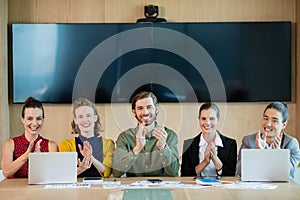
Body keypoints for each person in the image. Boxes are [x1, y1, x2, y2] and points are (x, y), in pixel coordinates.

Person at [112, 91, 179, 177]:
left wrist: (163, 147)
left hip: (161, 189)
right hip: (133, 189)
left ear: (156, 109)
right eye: (140, 108)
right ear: (134, 111)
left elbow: (174, 172)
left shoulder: (170, 136)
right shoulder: (124, 137)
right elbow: (116, 173)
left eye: (149, 107)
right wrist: (137, 149)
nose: (145, 112)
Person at [236, 102, 300, 178]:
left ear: (284, 125)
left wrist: (278, 154)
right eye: (266, 118)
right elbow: (240, 171)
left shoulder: (291, 143)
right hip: (254, 187)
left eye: (274, 120)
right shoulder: (248, 140)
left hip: (281, 188)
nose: (268, 124)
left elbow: (289, 172)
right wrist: (258, 152)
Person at [1, 97, 58, 178]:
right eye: (29, 118)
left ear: (43, 120)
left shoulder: (51, 146)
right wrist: (26, 156)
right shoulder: (10, 144)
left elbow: (53, 175)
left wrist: (39, 159)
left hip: (41, 190)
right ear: (22, 119)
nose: (34, 123)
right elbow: (6, 172)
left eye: (38, 118)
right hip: (16, 190)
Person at [59, 97, 115, 178]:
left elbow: (106, 173)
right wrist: (81, 169)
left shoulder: (109, 144)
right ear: (75, 120)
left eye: (88, 115)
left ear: (95, 118)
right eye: (80, 117)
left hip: (100, 188)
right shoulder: (66, 145)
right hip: (75, 188)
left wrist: (91, 157)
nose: (85, 120)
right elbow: (65, 174)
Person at [181, 103, 237, 177]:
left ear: (218, 120)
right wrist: (205, 162)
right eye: (203, 119)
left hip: (221, 188)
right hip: (196, 187)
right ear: (199, 120)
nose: (207, 123)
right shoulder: (188, 144)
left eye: (211, 119)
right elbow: (185, 175)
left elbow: (230, 175)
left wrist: (215, 158)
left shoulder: (230, 144)